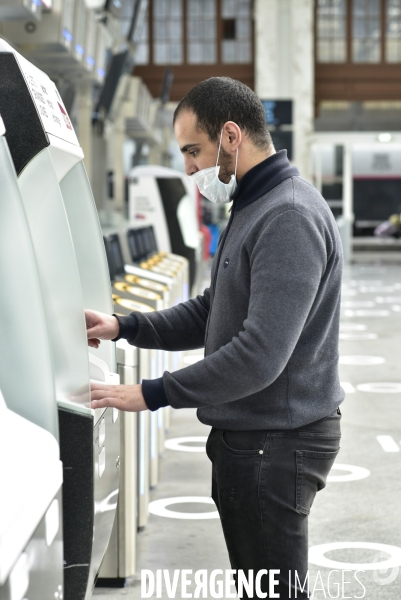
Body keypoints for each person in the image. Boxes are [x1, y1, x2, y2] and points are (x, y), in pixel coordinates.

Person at [85, 77, 344, 599]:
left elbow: (259, 355)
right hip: (255, 436)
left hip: (275, 442)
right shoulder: (254, 204)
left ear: (231, 136)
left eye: (192, 151)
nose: (188, 168)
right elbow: (213, 311)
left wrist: (154, 394)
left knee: (271, 590)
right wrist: (125, 326)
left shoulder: (287, 215)